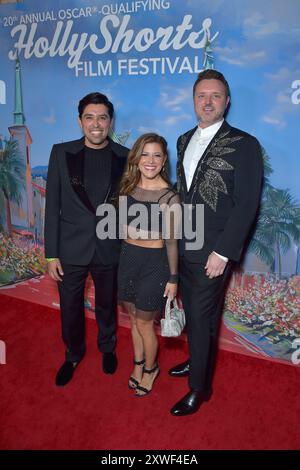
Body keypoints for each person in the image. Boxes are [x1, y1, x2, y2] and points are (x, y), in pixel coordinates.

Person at [169, 70, 263, 416]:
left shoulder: (245, 144)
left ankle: (198, 388)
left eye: (215, 96)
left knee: (202, 312)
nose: (207, 102)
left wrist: (223, 252)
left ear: (227, 101)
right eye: (201, 95)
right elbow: (184, 194)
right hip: (185, 245)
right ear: (193, 100)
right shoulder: (181, 140)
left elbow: (247, 204)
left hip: (214, 251)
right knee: (196, 315)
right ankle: (197, 361)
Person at [44, 92, 129, 386]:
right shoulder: (60, 153)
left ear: (110, 121)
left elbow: (131, 206)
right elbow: (52, 206)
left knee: (107, 304)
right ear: (80, 121)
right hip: (70, 247)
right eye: (90, 117)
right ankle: (73, 353)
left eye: (102, 117)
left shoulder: (125, 156)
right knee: (70, 305)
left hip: (109, 247)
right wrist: (51, 254)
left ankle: (107, 347)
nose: (96, 124)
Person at [117, 133, 180, 396]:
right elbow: (121, 230)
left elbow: (173, 243)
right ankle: (138, 363)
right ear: (136, 158)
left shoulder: (170, 197)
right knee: (132, 318)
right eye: (145, 154)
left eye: (156, 155)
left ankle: (151, 369)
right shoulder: (127, 188)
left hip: (156, 265)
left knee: (144, 323)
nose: (150, 160)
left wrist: (173, 278)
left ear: (164, 160)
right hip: (128, 259)